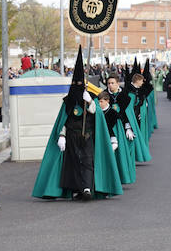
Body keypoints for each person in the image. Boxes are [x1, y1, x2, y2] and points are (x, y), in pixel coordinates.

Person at [31, 47, 122, 200]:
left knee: (87, 161)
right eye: (76, 83)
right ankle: (77, 189)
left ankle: (87, 188)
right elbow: (64, 120)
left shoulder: (90, 97)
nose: (78, 85)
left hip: (88, 135)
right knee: (73, 163)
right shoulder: (68, 100)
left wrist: (90, 102)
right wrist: (61, 135)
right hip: (72, 136)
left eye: (80, 83)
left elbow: (97, 115)